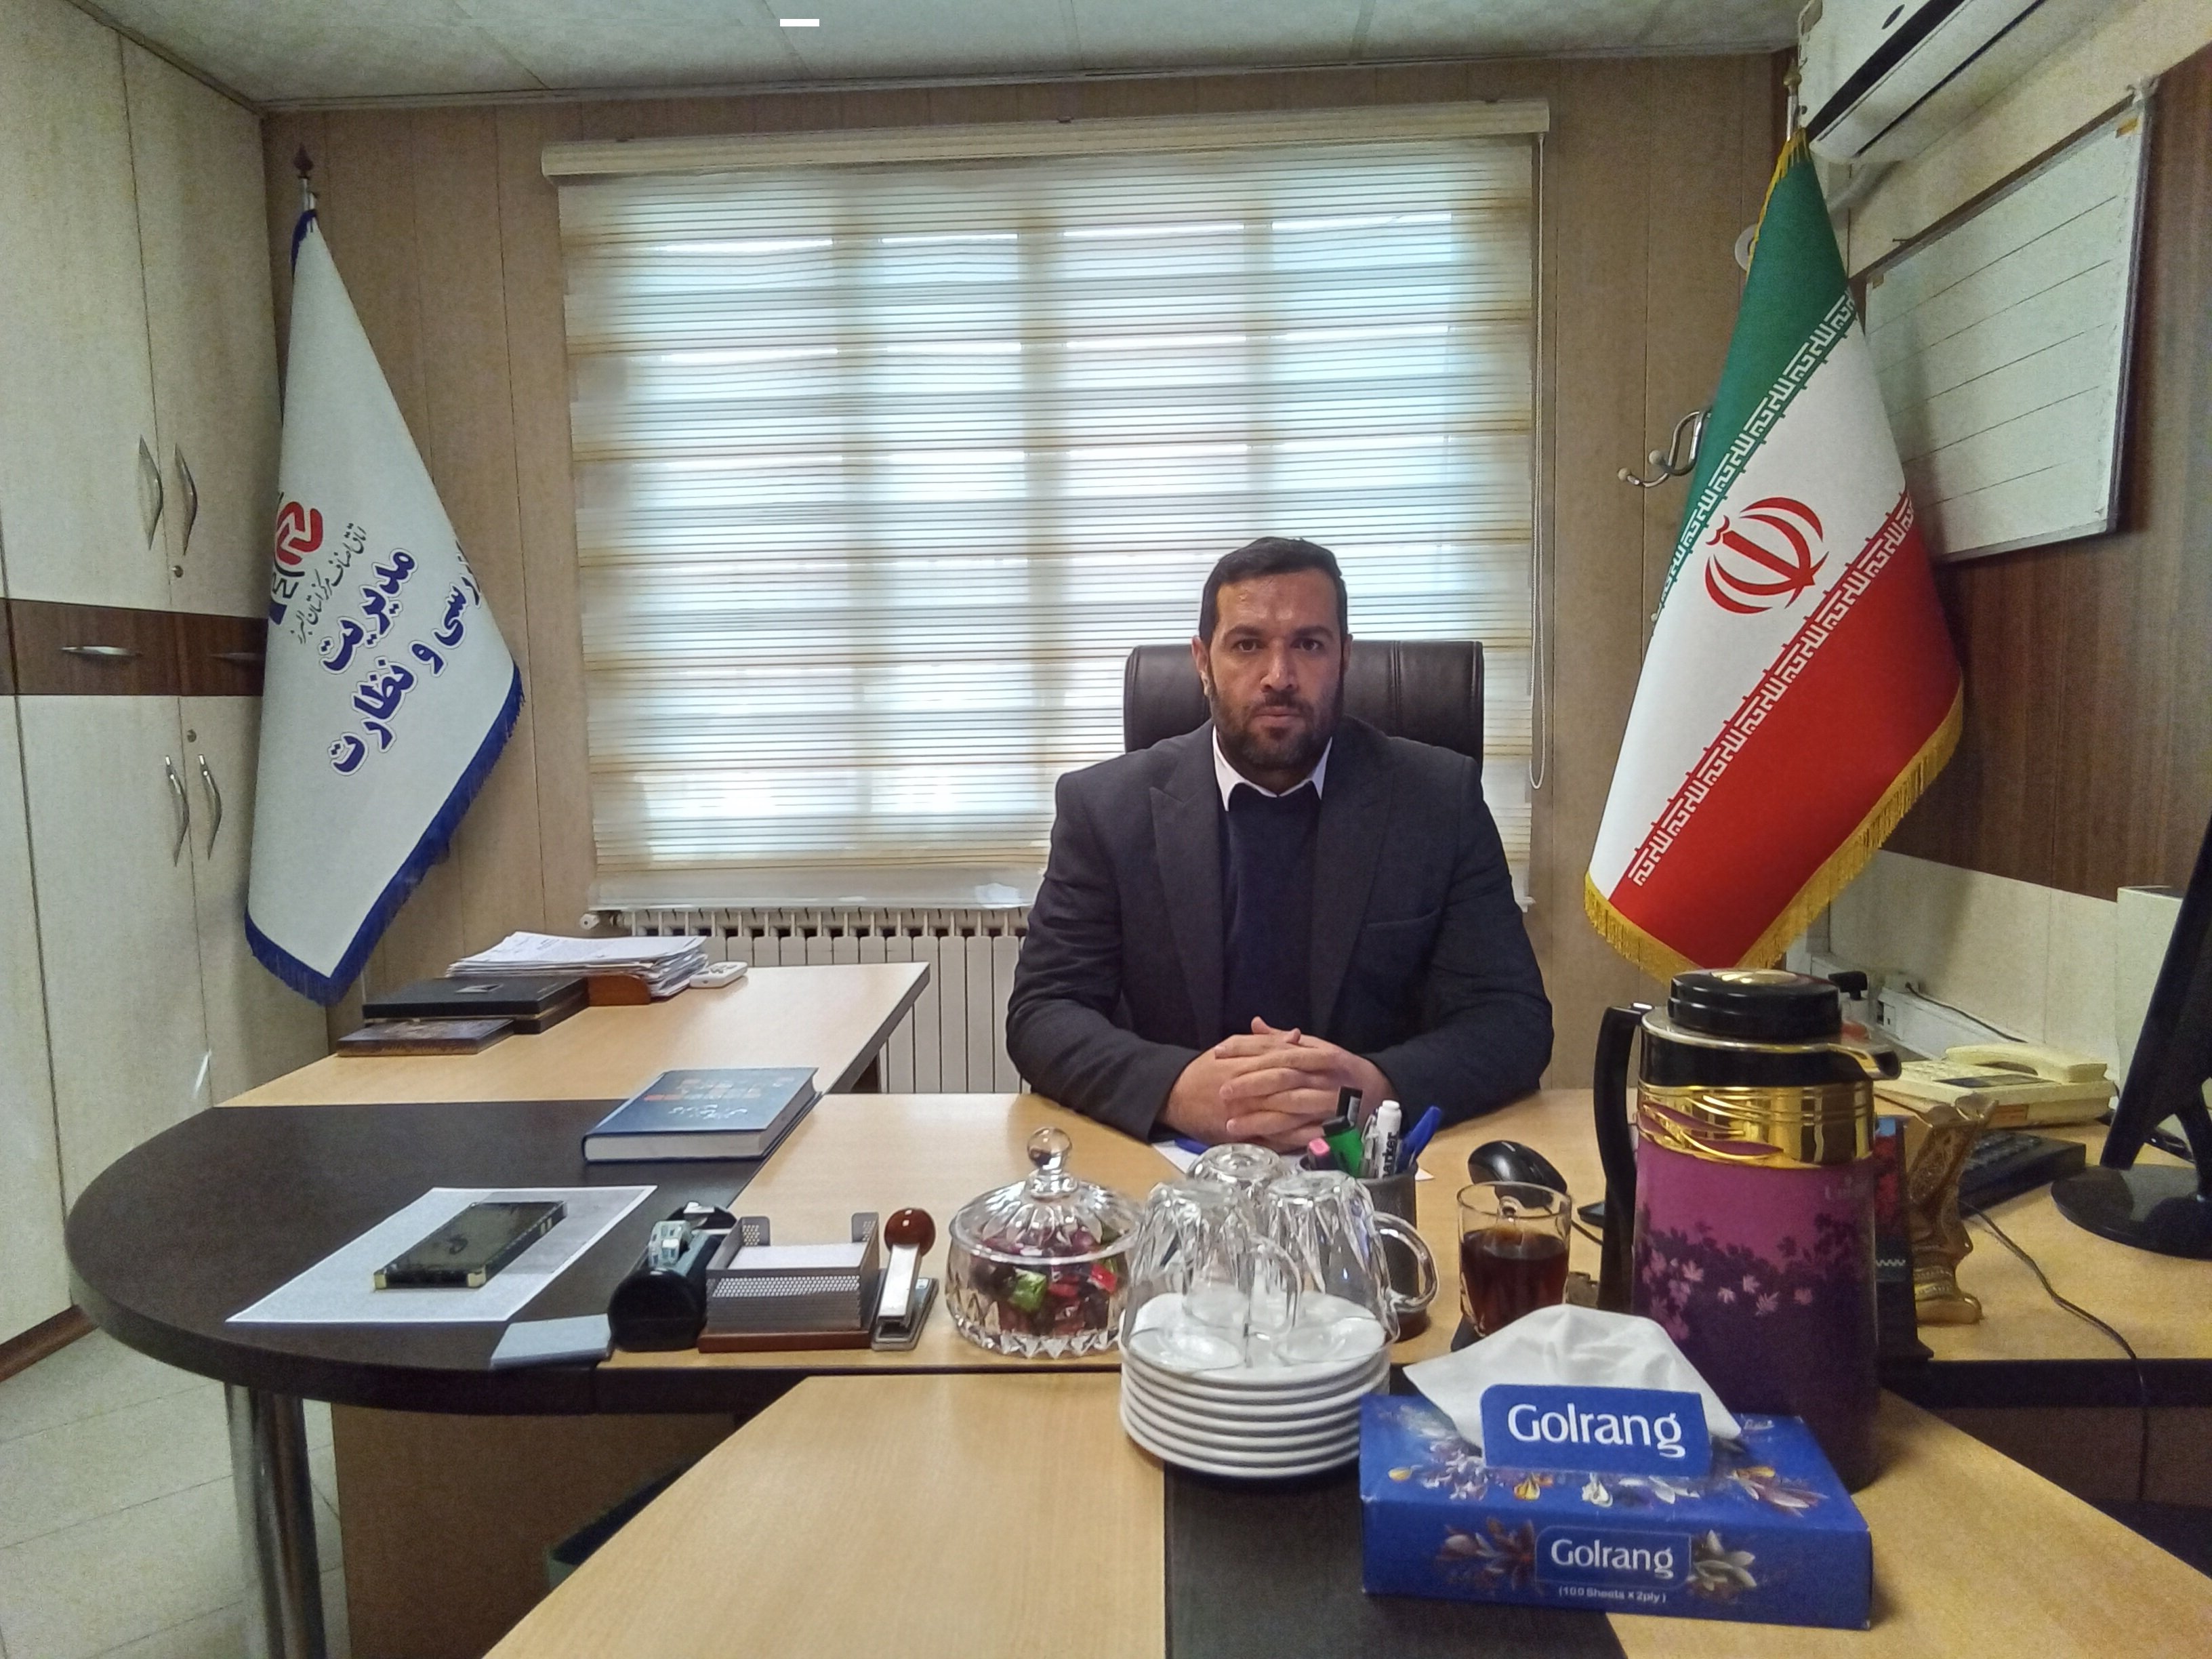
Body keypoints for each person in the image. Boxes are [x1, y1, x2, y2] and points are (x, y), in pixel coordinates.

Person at [1006, 536, 1551, 1148]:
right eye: (1247, 645)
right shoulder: (1105, 808)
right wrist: (1176, 1090)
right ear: (1202, 662)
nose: (1279, 677)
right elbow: (1044, 1011)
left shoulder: (1438, 801)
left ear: (1345, 657)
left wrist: (1377, 1088)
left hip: (1368, 1165)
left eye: (1309, 645)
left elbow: (1512, 1017)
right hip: (1176, 1166)